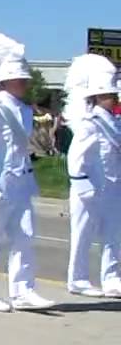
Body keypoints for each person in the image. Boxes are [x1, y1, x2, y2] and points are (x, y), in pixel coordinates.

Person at [0, 32, 54, 312]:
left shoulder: (24, 109)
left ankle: (23, 290)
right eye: (18, 78)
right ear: (4, 81)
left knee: (24, 236)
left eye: (24, 78)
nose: (24, 82)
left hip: (21, 181)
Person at [61, 53, 121, 298]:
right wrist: (83, 187)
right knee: (83, 235)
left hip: (112, 186)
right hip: (89, 188)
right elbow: (76, 160)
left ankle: (112, 278)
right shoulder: (90, 123)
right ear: (97, 97)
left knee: (114, 234)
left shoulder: (114, 122)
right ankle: (78, 279)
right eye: (108, 95)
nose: (113, 99)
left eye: (113, 95)